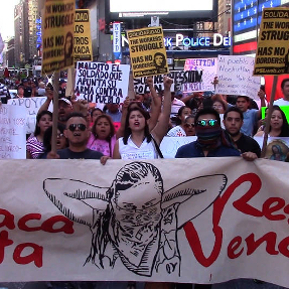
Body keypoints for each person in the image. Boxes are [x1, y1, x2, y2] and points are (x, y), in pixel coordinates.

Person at [113, 76, 172, 160]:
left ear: (145, 121)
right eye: (132, 117)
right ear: (128, 124)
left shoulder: (154, 138)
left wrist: (167, 89)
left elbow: (165, 114)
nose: (136, 119)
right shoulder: (120, 143)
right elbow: (114, 168)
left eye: (140, 116)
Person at [175, 108, 240, 158]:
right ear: (196, 126)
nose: (206, 126)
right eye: (202, 123)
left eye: (212, 122)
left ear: (219, 126)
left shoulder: (232, 155)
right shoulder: (183, 152)